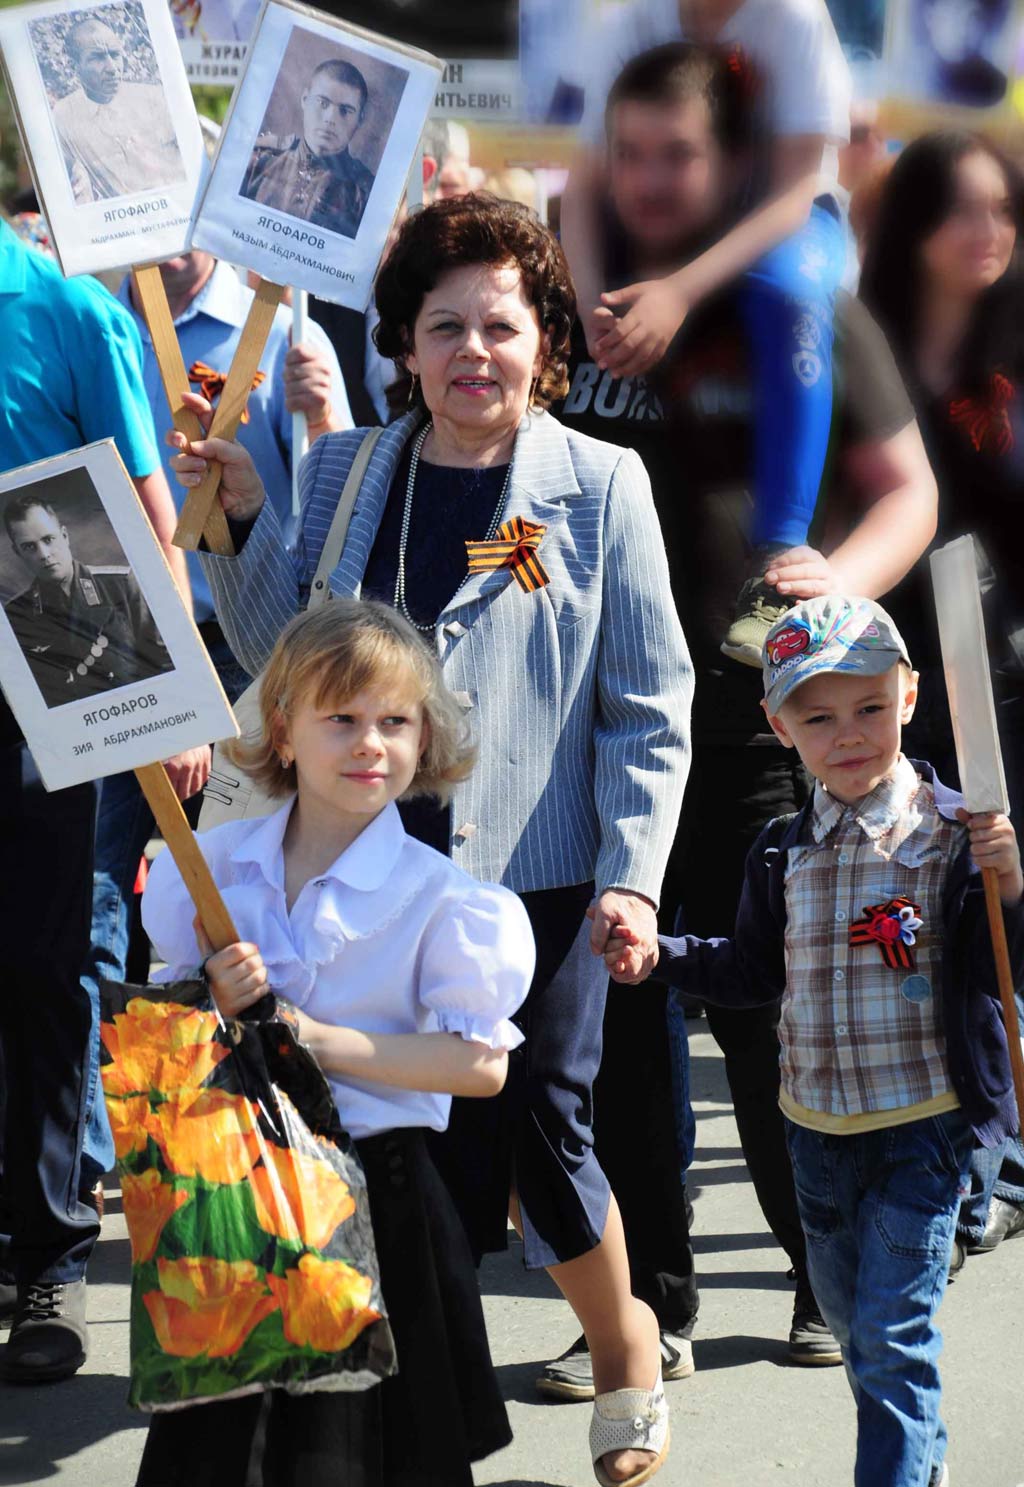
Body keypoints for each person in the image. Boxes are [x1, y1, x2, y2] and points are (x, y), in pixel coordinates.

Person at [169, 194, 692, 1485]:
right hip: (362, 854)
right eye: (444, 324)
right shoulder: (352, 473)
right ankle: (404, 1386)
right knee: (382, 1127)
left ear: (545, 341)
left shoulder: (596, 484)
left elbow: (649, 703)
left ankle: (625, 1344)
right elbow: (282, 648)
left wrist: (632, 875)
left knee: (534, 1113)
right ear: (402, 341)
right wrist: (235, 518)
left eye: (501, 325)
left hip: (542, 862)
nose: (474, 350)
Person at [545, 40, 939, 1394]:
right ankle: (654, 1296)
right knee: (615, 997)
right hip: (586, 706)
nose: (652, 183)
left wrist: (839, 579)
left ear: (726, 167)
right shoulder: (564, 290)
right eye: (631, 153)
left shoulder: (795, 294)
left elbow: (906, 496)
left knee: (757, 996)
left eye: (679, 157)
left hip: (739, 701)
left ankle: (814, 1268)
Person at [622, 593, 1023, 1487]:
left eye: (871, 707)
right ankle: (923, 1450)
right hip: (813, 1133)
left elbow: (1006, 964)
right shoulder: (780, 850)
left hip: (924, 1126)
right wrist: (662, 957)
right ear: (778, 725)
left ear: (910, 695)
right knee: (851, 1327)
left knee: (890, 1339)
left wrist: (1009, 884)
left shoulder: (956, 838)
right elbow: (752, 971)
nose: (849, 734)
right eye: (818, 715)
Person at [131, 598, 533, 1487]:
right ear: (282, 731)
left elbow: (481, 1064)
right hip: (232, 1198)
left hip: (374, 1203)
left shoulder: (446, 900)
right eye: (342, 718)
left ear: (425, 736)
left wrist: (314, 1037)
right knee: (219, 1456)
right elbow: (168, 1035)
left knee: (358, 1459)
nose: (370, 743)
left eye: (395, 720)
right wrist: (207, 996)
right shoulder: (212, 867)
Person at [0, 211, 208, 1384]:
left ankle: (49, 1257)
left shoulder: (72, 311)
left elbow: (145, 512)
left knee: (47, 960)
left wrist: (171, 703)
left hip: (54, 654)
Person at [562, 0, 851, 656]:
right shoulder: (625, 23)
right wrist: (586, 310)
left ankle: (778, 561)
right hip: (663, 223)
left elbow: (796, 191)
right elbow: (583, 182)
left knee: (791, 291)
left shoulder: (797, 20)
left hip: (784, 226)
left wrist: (679, 291)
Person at [859, 130, 1024, 1263]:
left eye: (1001, 209)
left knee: (1010, 903)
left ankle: (1004, 1149)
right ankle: (974, 1140)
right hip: (897, 667)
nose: (985, 231)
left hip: (1009, 661)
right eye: (960, 208)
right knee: (948, 912)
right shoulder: (859, 347)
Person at [3, 494, 171, 707]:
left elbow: (165, 664)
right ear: (17, 553)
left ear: (64, 536)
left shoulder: (119, 585)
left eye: (48, 540)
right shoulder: (16, 615)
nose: (44, 554)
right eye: (29, 547)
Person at [50, 17, 184, 204]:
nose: (112, 68)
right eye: (97, 57)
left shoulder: (156, 99)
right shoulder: (63, 117)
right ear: (75, 67)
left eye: (115, 55)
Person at [241, 58, 376, 239]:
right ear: (305, 99)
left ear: (360, 118)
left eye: (345, 110)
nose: (331, 118)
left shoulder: (366, 194)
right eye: (322, 103)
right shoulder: (260, 159)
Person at [911, 0, 1010, 110]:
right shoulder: (911, 81)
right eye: (955, 13)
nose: (963, 28)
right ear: (929, 16)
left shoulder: (997, 86)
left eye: (973, 16)